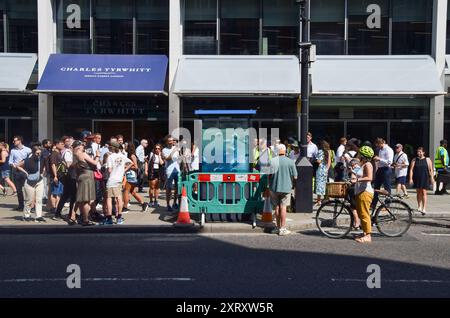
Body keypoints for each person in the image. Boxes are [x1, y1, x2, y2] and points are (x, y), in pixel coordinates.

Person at [269, 144, 297, 236]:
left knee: (276, 207)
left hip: (274, 187)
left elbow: (269, 175)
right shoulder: (290, 161)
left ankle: (277, 227)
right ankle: (283, 228)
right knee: (283, 207)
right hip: (286, 187)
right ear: (285, 151)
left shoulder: (272, 161)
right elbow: (295, 176)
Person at [16, 145, 46, 222]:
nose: (39, 155)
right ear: (33, 153)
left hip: (39, 181)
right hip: (29, 181)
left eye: (40, 153)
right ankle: (26, 215)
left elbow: (45, 167)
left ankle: (38, 216)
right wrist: (25, 173)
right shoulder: (28, 160)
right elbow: (18, 166)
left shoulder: (42, 159)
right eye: (37, 153)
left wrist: (43, 173)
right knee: (29, 200)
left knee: (39, 199)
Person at [104, 141, 131, 225]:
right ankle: (119, 217)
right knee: (119, 198)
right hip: (119, 179)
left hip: (111, 179)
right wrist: (123, 170)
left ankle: (109, 219)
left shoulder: (110, 157)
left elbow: (109, 170)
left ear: (111, 147)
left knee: (109, 199)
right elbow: (131, 163)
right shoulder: (122, 156)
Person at [73, 140, 99, 226]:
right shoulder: (82, 154)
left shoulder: (75, 155)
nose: (84, 146)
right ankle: (86, 219)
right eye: (82, 145)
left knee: (81, 200)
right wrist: (97, 156)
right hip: (87, 177)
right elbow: (94, 163)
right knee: (86, 200)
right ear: (79, 147)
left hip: (81, 176)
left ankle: (82, 218)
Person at [352, 146, 375, 243]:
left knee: (365, 214)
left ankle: (368, 236)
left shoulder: (368, 164)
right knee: (362, 214)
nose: (359, 155)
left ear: (364, 155)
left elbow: (369, 178)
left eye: (360, 154)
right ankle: (365, 232)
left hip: (365, 192)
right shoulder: (363, 164)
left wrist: (357, 179)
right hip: (361, 191)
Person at [54, 137, 77, 224]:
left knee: (65, 195)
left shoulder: (65, 151)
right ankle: (70, 214)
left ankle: (58, 213)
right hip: (71, 176)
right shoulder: (67, 152)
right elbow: (68, 165)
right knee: (72, 196)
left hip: (69, 176)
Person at [123, 142, 148, 213]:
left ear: (129, 147)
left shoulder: (132, 155)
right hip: (130, 175)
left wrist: (126, 167)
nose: (125, 147)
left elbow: (136, 167)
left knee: (126, 191)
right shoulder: (129, 155)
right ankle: (143, 204)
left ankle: (125, 207)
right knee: (132, 192)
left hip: (131, 175)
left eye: (126, 146)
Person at [9, 136, 32, 211]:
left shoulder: (28, 150)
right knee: (19, 190)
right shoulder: (13, 150)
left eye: (15, 140)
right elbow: (10, 161)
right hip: (16, 172)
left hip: (26, 171)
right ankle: (21, 205)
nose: (13, 142)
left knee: (28, 189)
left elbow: (31, 160)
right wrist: (13, 165)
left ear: (20, 141)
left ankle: (30, 206)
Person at [409, 147, 434, 214]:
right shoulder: (414, 160)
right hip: (417, 178)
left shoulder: (428, 160)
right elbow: (411, 169)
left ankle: (424, 208)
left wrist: (432, 178)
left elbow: (431, 170)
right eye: (418, 152)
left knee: (424, 192)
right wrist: (410, 179)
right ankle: (419, 206)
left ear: (423, 152)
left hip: (425, 177)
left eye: (420, 152)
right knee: (418, 192)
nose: (418, 153)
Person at [371, 138, 394, 210]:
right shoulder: (380, 150)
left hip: (386, 169)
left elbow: (389, 162)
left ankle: (388, 204)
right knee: (376, 187)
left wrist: (379, 159)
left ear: (381, 143)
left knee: (387, 187)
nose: (377, 147)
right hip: (380, 169)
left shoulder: (388, 150)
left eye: (378, 145)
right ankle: (373, 204)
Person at [162, 135, 180, 212]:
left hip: (177, 170)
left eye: (172, 140)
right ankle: (168, 204)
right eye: (169, 141)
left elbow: (178, 159)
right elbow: (167, 159)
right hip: (169, 171)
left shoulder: (176, 149)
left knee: (177, 188)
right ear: (167, 142)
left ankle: (175, 203)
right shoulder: (164, 150)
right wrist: (173, 151)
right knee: (169, 189)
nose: (171, 142)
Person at [48, 139, 65, 218]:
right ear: (56, 144)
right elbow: (53, 165)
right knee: (55, 193)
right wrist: (55, 175)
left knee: (58, 193)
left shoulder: (58, 153)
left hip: (60, 176)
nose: (63, 145)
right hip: (56, 176)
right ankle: (55, 209)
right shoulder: (54, 154)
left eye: (63, 144)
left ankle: (57, 209)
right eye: (61, 144)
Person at [315, 141, 331, 206]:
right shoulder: (328, 152)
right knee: (324, 184)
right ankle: (325, 198)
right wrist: (327, 169)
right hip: (325, 170)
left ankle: (319, 200)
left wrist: (316, 160)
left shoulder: (320, 152)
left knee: (319, 184)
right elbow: (329, 162)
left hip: (320, 169)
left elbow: (319, 161)